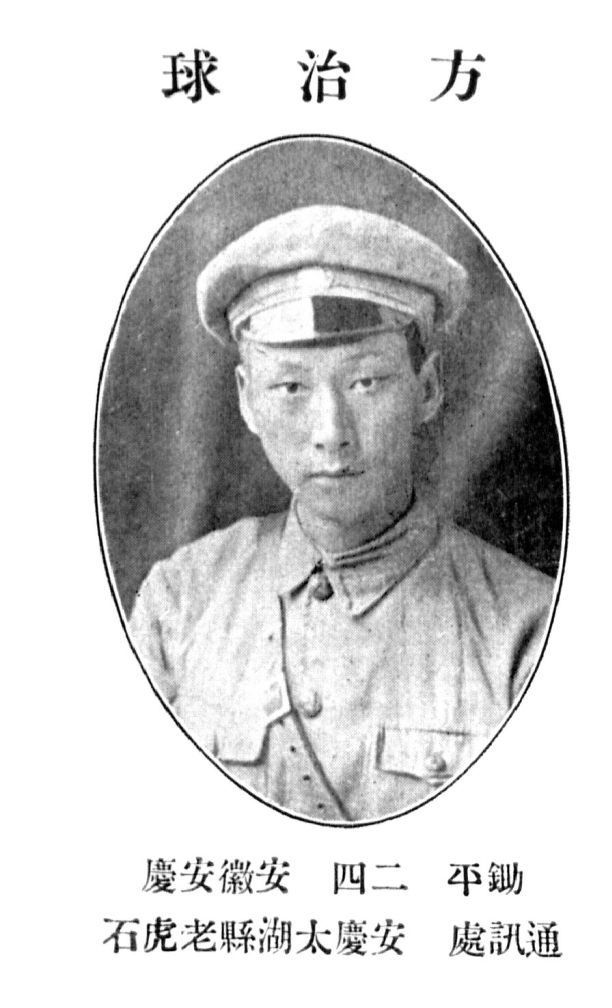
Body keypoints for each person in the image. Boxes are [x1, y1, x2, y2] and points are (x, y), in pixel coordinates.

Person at [129, 204, 555, 824]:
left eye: (366, 383)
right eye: (291, 388)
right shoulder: (179, 604)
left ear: (427, 388)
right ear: (247, 400)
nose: (331, 433)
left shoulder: (526, 629)